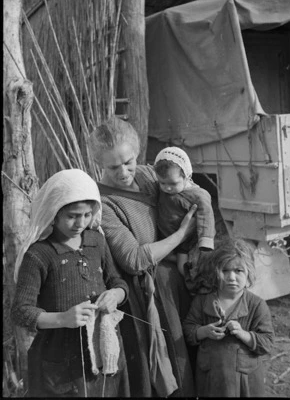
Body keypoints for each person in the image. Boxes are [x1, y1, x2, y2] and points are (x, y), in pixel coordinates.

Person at [88, 116, 197, 397]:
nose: (124, 171)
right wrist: (182, 235)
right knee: (172, 365)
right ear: (99, 163)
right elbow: (134, 259)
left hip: (181, 278)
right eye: (113, 166)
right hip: (152, 294)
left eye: (129, 161)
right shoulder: (104, 203)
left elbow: (191, 192)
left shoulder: (150, 175)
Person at [11, 169, 130, 397]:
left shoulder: (97, 241)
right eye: (72, 215)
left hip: (102, 343)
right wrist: (64, 318)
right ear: (53, 214)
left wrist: (116, 294)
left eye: (87, 215)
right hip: (58, 354)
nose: (80, 222)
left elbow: (117, 281)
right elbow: (20, 311)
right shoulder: (39, 255)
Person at [183, 237, 275, 397]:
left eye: (238, 271)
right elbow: (188, 330)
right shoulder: (202, 301)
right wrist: (204, 332)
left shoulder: (257, 305)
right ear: (214, 272)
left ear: (249, 273)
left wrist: (244, 334)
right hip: (211, 378)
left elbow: (267, 342)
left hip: (245, 380)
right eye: (225, 270)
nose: (231, 277)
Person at [153, 146, 215, 291]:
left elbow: (206, 217)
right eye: (163, 183)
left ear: (186, 176)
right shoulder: (161, 189)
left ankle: (197, 288)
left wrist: (205, 241)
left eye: (173, 183)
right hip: (167, 237)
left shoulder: (197, 195)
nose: (167, 188)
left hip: (187, 242)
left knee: (184, 267)